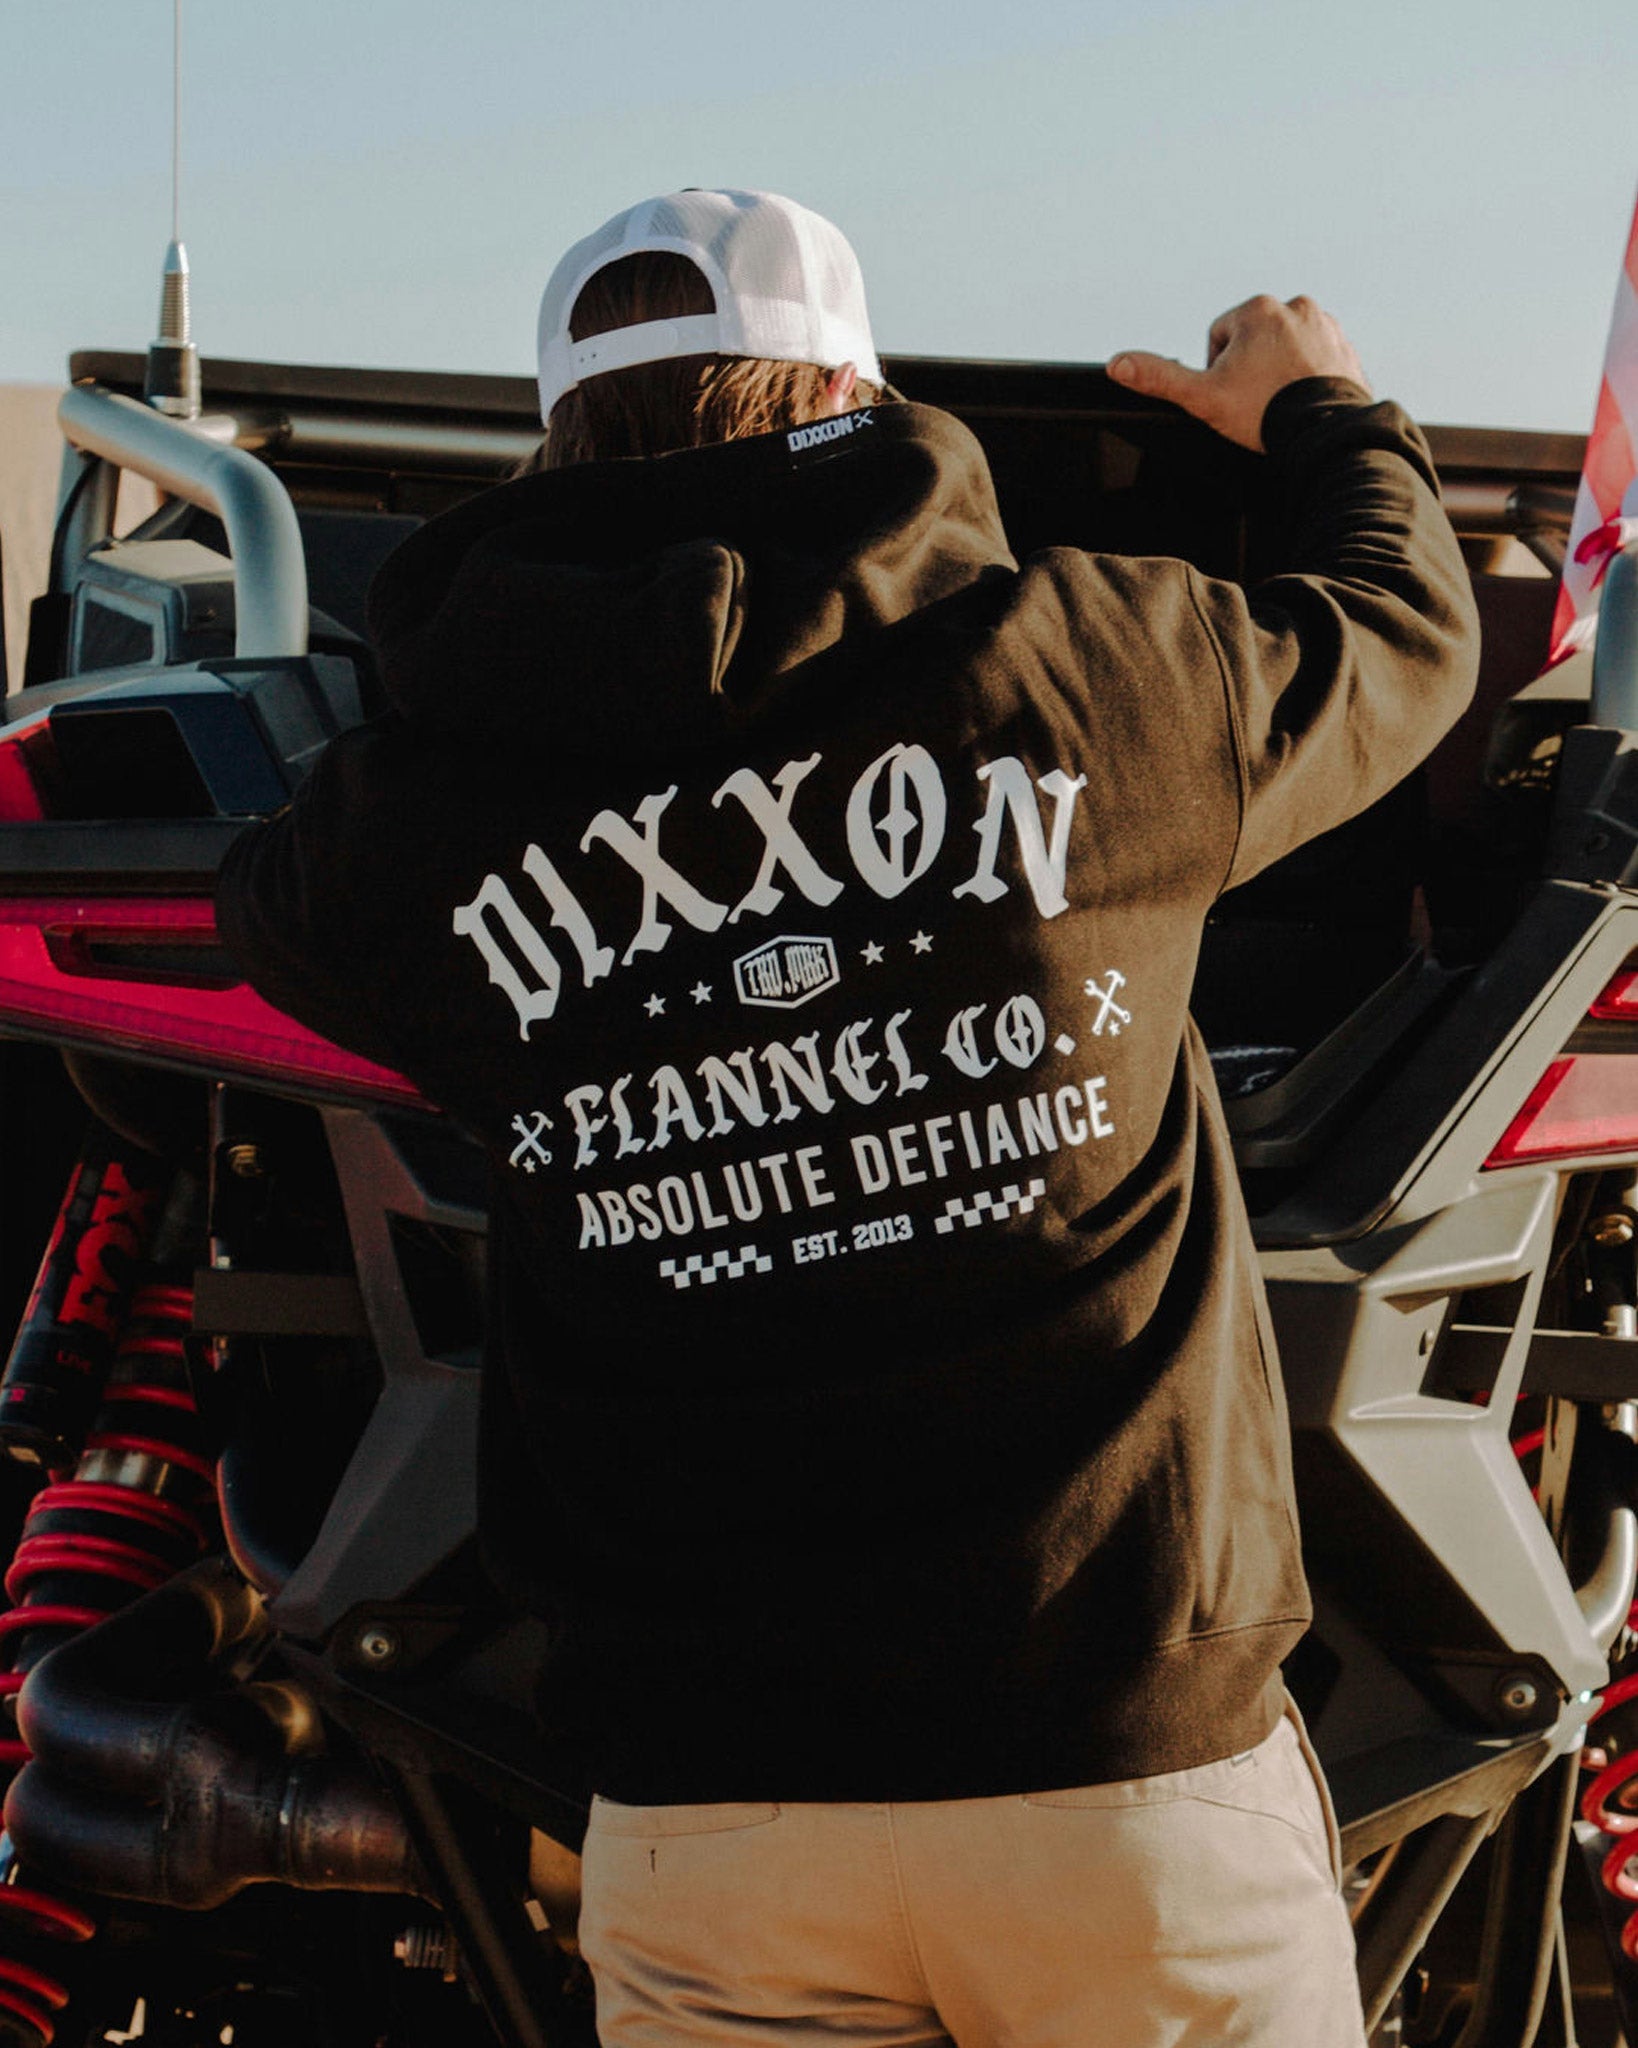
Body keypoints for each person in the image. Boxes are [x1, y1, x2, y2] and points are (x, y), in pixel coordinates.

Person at [215, 188, 1480, 2045]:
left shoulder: (400, 832)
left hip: (714, 1825)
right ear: (847, 392)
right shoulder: (1097, 670)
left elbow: (265, 895)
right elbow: (1404, 625)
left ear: (557, 441)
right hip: (1127, 1788)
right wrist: (1322, 412)